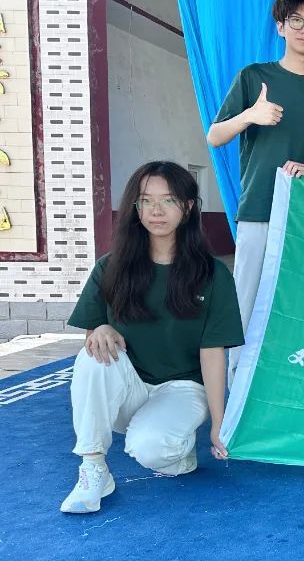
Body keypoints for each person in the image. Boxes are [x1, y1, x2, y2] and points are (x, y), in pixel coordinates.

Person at [62, 161, 244, 514]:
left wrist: (219, 423)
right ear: (135, 207)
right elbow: (92, 336)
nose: (156, 211)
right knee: (92, 356)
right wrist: (99, 329)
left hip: (182, 388)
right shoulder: (110, 267)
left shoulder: (213, 274)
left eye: (168, 200)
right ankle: (93, 467)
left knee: (152, 449)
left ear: (187, 207)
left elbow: (212, 352)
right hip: (128, 387)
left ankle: (177, 449)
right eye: (146, 201)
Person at [206, 0, 304, 382]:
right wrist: (249, 116)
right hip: (259, 209)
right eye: (296, 21)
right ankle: (237, 384)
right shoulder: (254, 77)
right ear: (281, 27)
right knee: (247, 299)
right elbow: (215, 136)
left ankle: (295, 381)